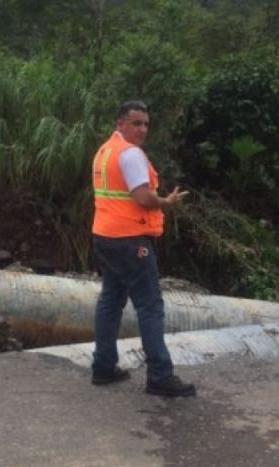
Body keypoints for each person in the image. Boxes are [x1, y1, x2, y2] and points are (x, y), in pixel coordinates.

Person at [90, 100, 196, 397]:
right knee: (150, 307)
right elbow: (143, 197)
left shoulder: (105, 151)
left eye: (146, 124)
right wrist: (166, 202)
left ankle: (103, 367)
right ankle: (160, 376)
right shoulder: (131, 154)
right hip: (131, 239)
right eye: (136, 123)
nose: (142, 130)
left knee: (111, 300)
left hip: (105, 236)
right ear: (121, 123)